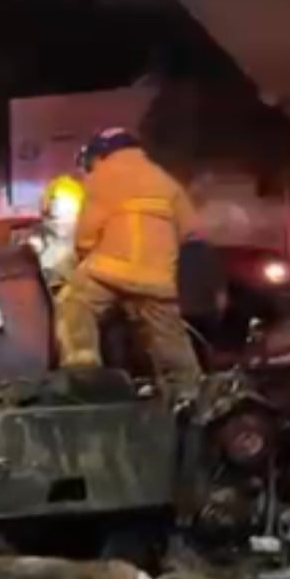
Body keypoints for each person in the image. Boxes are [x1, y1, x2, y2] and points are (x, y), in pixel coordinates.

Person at [55, 127, 203, 401]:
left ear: (101, 154)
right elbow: (190, 229)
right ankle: (189, 392)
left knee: (73, 303)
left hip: (111, 269)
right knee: (168, 336)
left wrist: (83, 256)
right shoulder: (165, 180)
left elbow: (87, 233)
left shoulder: (102, 176)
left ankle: (83, 370)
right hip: (158, 278)